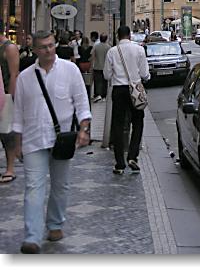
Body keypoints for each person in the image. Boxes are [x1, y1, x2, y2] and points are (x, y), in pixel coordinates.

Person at [12, 29, 91, 254]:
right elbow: (18, 112)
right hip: (33, 139)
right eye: (43, 47)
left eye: (51, 45)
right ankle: (32, 237)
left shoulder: (70, 70)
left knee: (60, 185)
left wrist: (83, 129)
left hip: (61, 140)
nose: (48, 50)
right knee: (33, 187)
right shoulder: (25, 77)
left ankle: (55, 224)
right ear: (35, 50)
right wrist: (17, 142)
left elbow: (81, 103)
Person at [103, 25, 150, 175]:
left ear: (118, 36)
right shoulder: (139, 50)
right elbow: (145, 73)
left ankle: (119, 163)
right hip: (135, 89)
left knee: (118, 124)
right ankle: (132, 156)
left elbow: (106, 75)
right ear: (130, 35)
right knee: (138, 122)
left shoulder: (112, 51)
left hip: (119, 90)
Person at [0, 22, 20, 184]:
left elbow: (14, 74)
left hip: (5, 94)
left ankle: (10, 168)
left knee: (7, 134)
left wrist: (11, 98)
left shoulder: (9, 48)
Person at [91, 34, 110, 102]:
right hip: (105, 67)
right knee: (105, 82)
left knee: (97, 81)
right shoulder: (108, 47)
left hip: (97, 66)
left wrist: (92, 65)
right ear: (106, 39)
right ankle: (104, 95)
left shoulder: (96, 46)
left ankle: (97, 94)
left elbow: (92, 55)